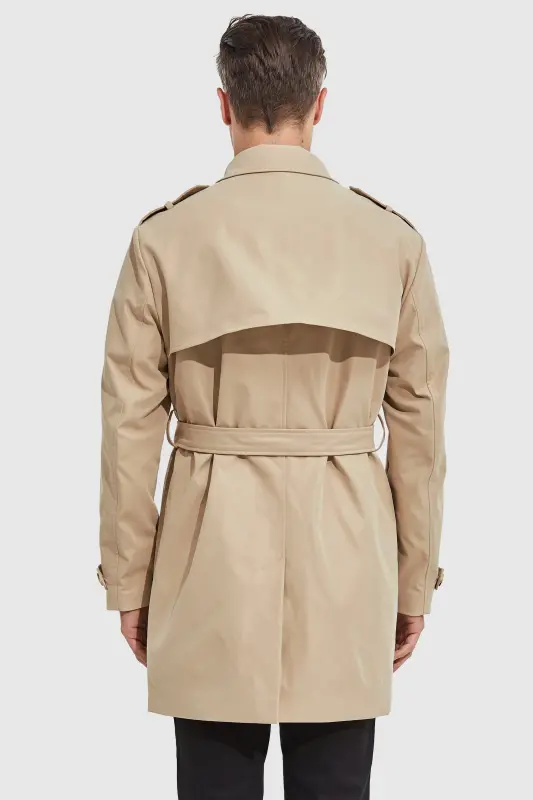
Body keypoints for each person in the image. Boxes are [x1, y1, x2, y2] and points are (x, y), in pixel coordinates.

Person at [97, 14, 449, 800]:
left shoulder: (165, 240)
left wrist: (128, 581)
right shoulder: (390, 241)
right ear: (319, 104)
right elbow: (421, 427)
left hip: (205, 552)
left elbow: (128, 428)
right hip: (348, 552)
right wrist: (413, 580)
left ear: (223, 104)